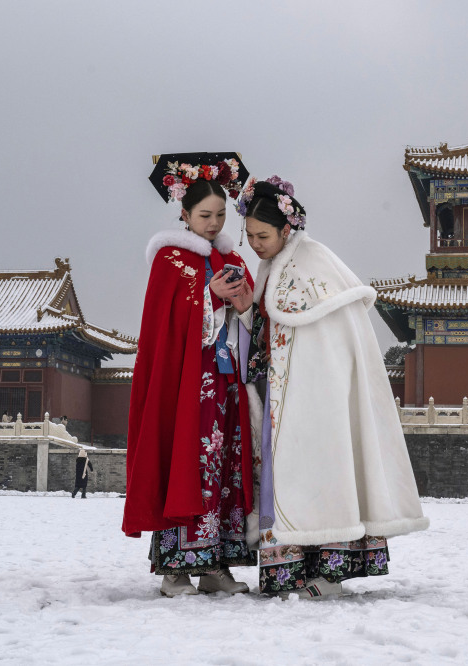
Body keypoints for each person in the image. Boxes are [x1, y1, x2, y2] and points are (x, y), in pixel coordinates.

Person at [238, 176, 429, 599]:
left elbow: (334, 340)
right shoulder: (272, 268)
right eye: (249, 236)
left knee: (327, 471)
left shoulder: (314, 265)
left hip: (318, 396)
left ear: (286, 229)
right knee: (283, 479)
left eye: (262, 235)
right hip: (281, 395)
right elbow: (272, 327)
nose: (255, 244)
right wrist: (245, 309)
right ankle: (286, 571)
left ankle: (330, 572)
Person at [123, 152, 256, 598]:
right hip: (187, 388)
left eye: (220, 214)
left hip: (225, 384)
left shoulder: (232, 257)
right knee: (187, 465)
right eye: (204, 215)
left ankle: (216, 566)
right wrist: (208, 297)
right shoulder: (170, 261)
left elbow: (252, 318)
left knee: (225, 470)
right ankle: (177, 568)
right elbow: (164, 328)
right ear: (183, 213)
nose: (214, 223)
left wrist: (242, 306)